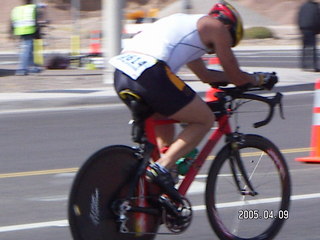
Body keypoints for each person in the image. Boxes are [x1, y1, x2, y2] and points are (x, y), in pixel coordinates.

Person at [110, 0, 276, 202]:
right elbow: (236, 76)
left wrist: (233, 78)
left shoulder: (187, 27)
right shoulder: (217, 27)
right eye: (227, 43)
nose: (215, 50)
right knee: (204, 119)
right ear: (228, 26)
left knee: (163, 114)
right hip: (150, 72)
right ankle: (162, 167)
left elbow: (205, 75)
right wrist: (259, 79)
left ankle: (163, 175)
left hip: (122, 73)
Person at [11, 0, 42, 76]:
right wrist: (38, 33)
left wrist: (12, 33)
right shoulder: (32, 8)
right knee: (27, 49)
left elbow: (12, 21)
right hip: (29, 30)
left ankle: (32, 67)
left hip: (19, 30)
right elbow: (36, 21)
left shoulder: (17, 9)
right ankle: (22, 68)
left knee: (30, 49)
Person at [297, 0, 320, 72]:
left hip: (304, 29)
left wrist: (300, 27)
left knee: (305, 48)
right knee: (312, 48)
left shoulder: (303, 6)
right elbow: (317, 19)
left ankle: (304, 65)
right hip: (311, 29)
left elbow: (299, 17)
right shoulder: (315, 7)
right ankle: (313, 66)